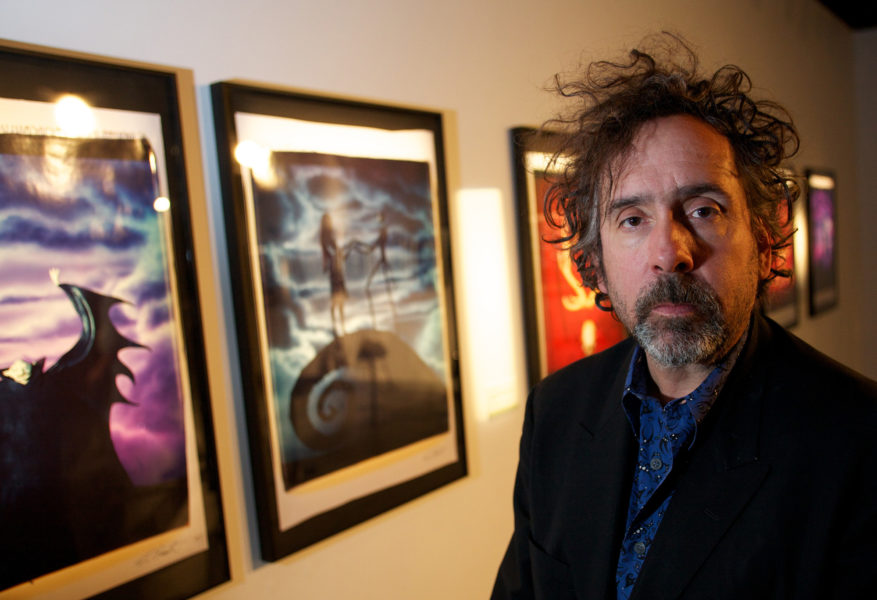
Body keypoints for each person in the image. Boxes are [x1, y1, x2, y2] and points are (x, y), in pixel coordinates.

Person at [492, 34, 877, 600]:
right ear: (596, 263)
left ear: (763, 239)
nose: (670, 252)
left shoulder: (858, 440)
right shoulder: (555, 411)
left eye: (703, 210)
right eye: (632, 219)